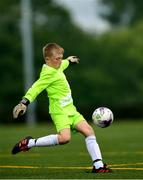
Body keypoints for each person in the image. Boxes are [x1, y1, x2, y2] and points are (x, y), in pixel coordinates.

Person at [12, 43, 111, 173]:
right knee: (65, 139)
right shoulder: (47, 74)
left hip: (71, 110)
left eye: (61, 57)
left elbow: (64, 63)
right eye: (57, 58)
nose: (60, 61)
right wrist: (24, 102)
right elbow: (36, 88)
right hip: (59, 112)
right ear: (47, 59)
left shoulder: (57, 66)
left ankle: (98, 167)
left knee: (89, 131)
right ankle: (29, 143)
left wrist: (69, 60)